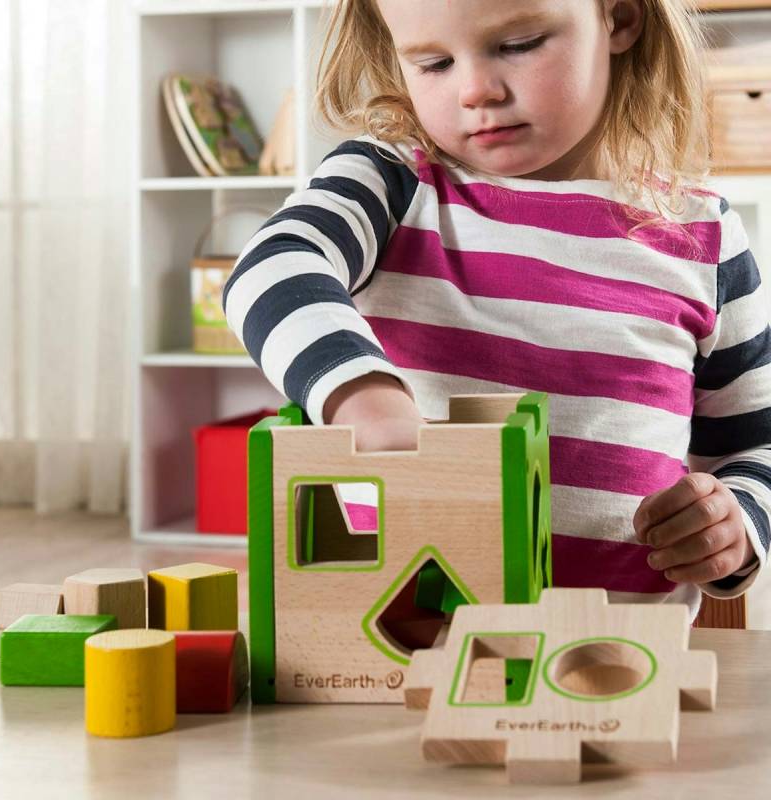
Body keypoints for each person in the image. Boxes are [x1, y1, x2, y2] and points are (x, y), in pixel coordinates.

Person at [223, 0, 770, 622]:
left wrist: (734, 525)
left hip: (615, 651)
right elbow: (276, 263)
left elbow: (756, 445)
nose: (476, 90)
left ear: (619, 19)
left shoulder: (704, 234)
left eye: (520, 44)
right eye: (433, 62)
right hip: (400, 644)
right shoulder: (392, 180)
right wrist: (365, 401)